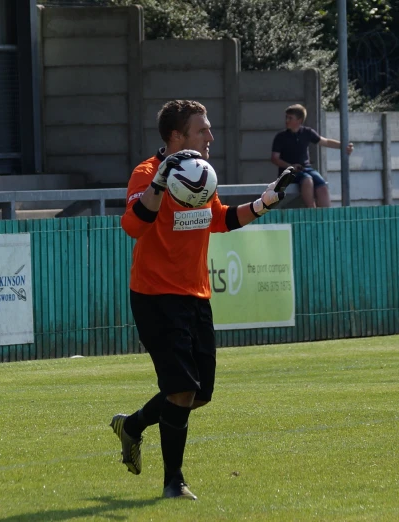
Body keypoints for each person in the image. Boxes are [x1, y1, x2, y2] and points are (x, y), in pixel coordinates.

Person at [110, 99, 294, 501]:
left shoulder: (201, 174)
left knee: (198, 394)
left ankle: (134, 426)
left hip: (196, 294)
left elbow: (219, 219)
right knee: (180, 389)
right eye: (202, 129)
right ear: (177, 136)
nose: (211, 136)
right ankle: (173, 482)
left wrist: (264, 203)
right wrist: (158, 184)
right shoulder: (145, 173)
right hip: (155, 296)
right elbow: (131, 227)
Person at [270, 103, 354, 208]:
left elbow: (326, 142)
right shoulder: (281, 137)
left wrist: (343, 146)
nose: (286, 120)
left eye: (290, 118)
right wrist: (290, 166)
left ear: (299, 120)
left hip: (306, 169)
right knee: (307, 180)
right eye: (286, 117)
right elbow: (274, 159)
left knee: (322, 185)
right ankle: (312, 212)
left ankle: (326, 217)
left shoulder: (307, 132)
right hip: (289, 172)